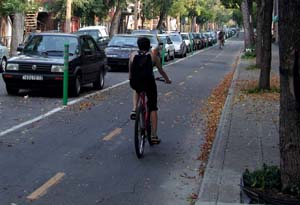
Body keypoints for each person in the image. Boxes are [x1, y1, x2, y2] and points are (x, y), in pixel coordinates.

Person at [129, 37, 171, 144]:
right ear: (149, 46)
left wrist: (131, 79)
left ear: (138, 45)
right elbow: (161, 70)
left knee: (136, 89)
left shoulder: (133, 55)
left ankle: (134, 109)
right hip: (149, 83)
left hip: (136, 82)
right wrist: (167, 80)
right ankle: (153, 135)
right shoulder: (153, 56)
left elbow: (130, 72)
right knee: (153, 107)